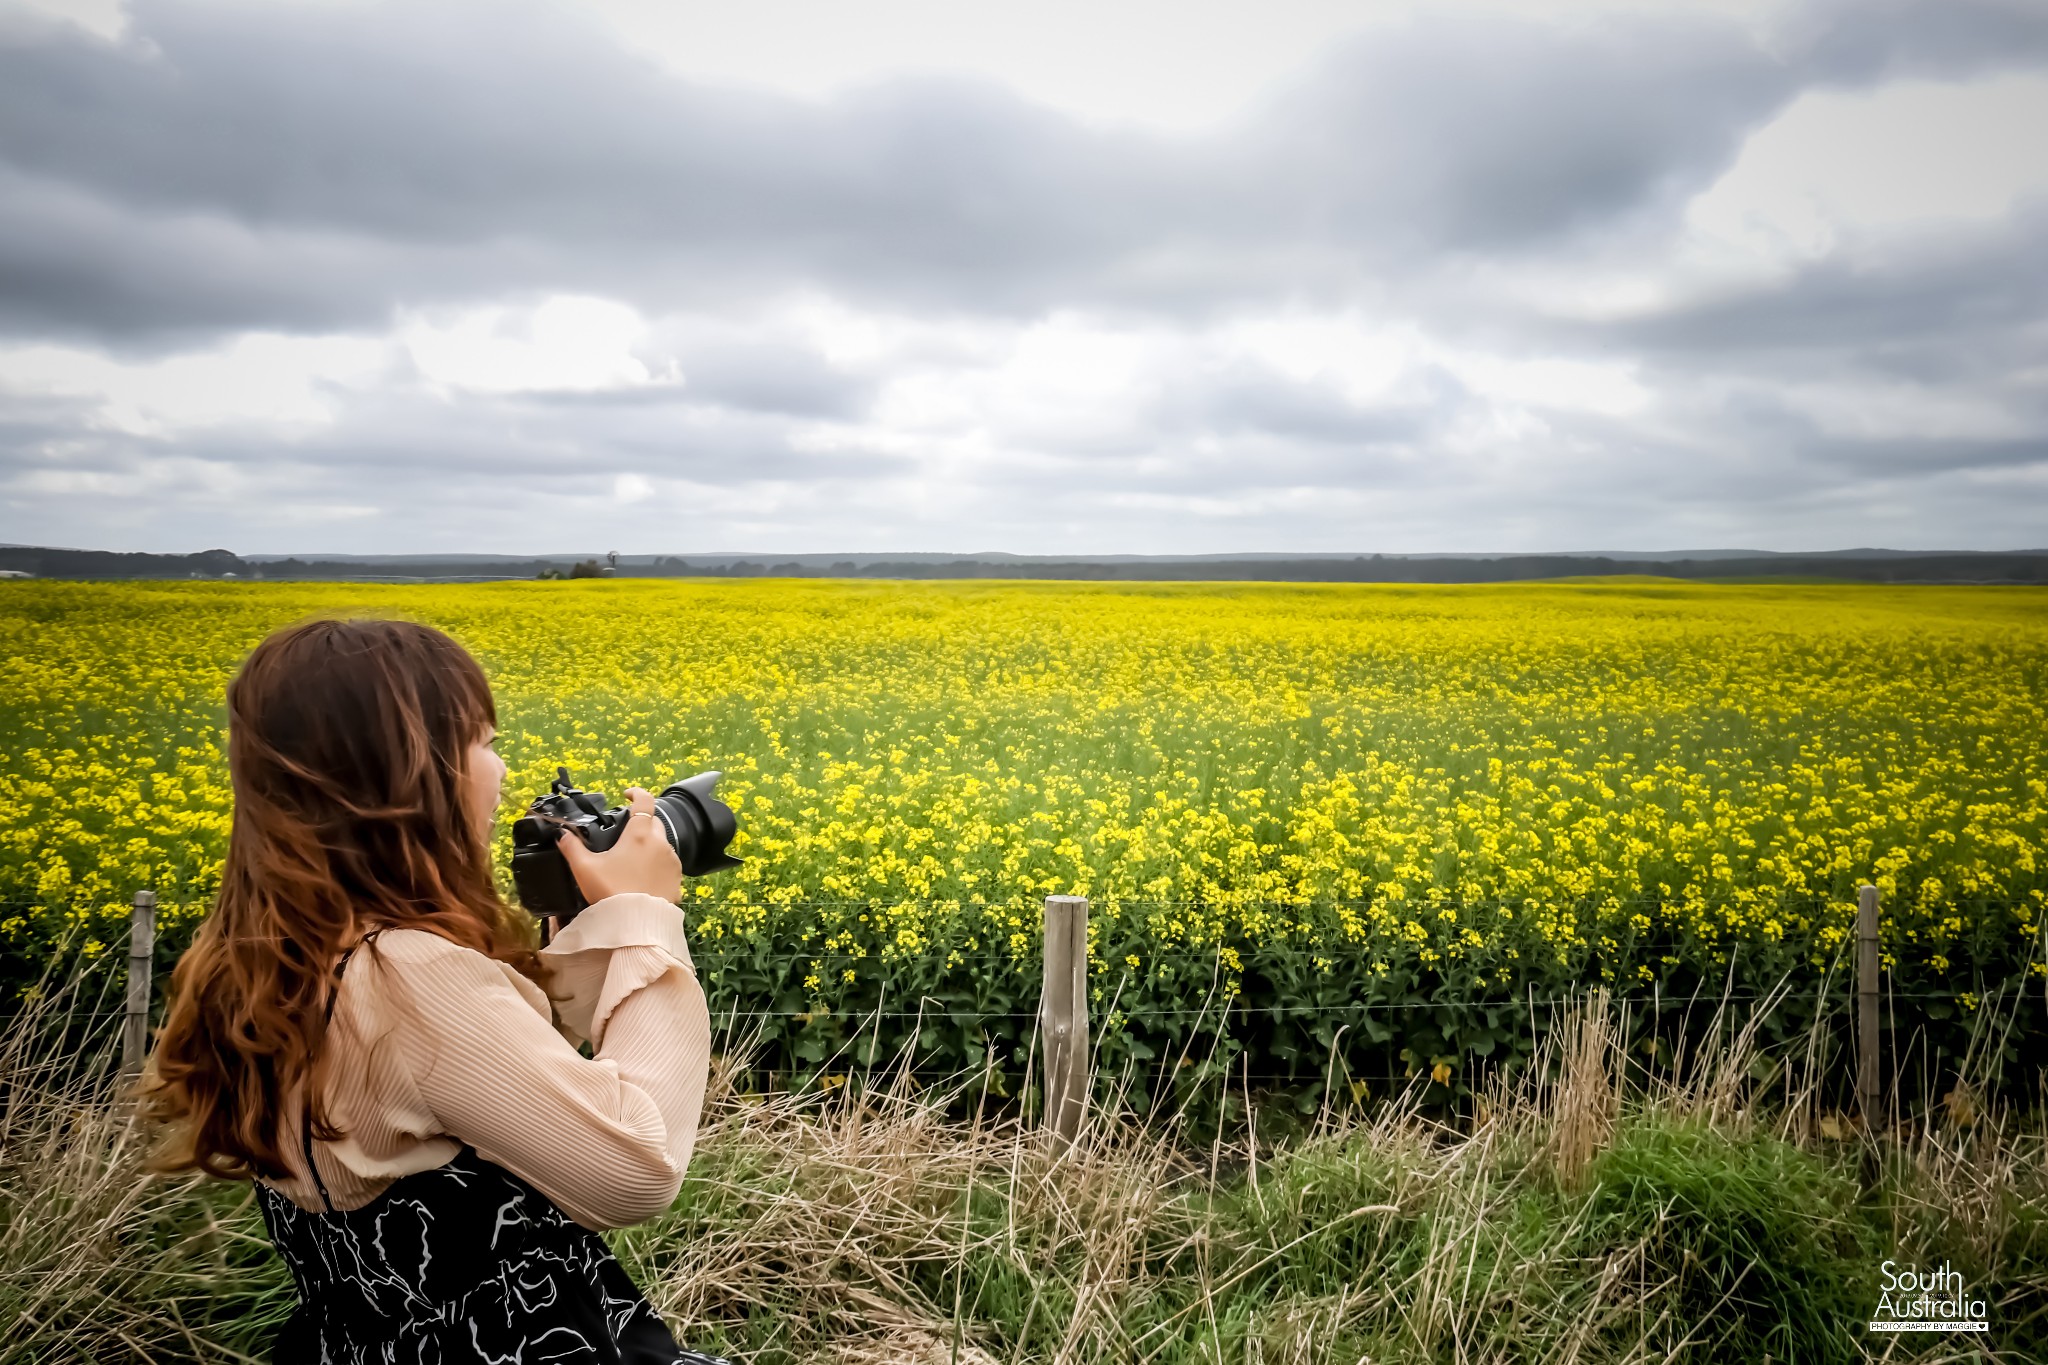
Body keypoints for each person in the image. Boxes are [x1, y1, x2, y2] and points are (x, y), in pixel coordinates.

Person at [142, 617, 730, 1364]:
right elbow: (636, 1171)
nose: (503, 767)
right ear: (409, 770)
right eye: (484, 741)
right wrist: (647, 920)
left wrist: (579, 932)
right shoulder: (412, 977)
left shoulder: (269, 953)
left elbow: (508, 1081)